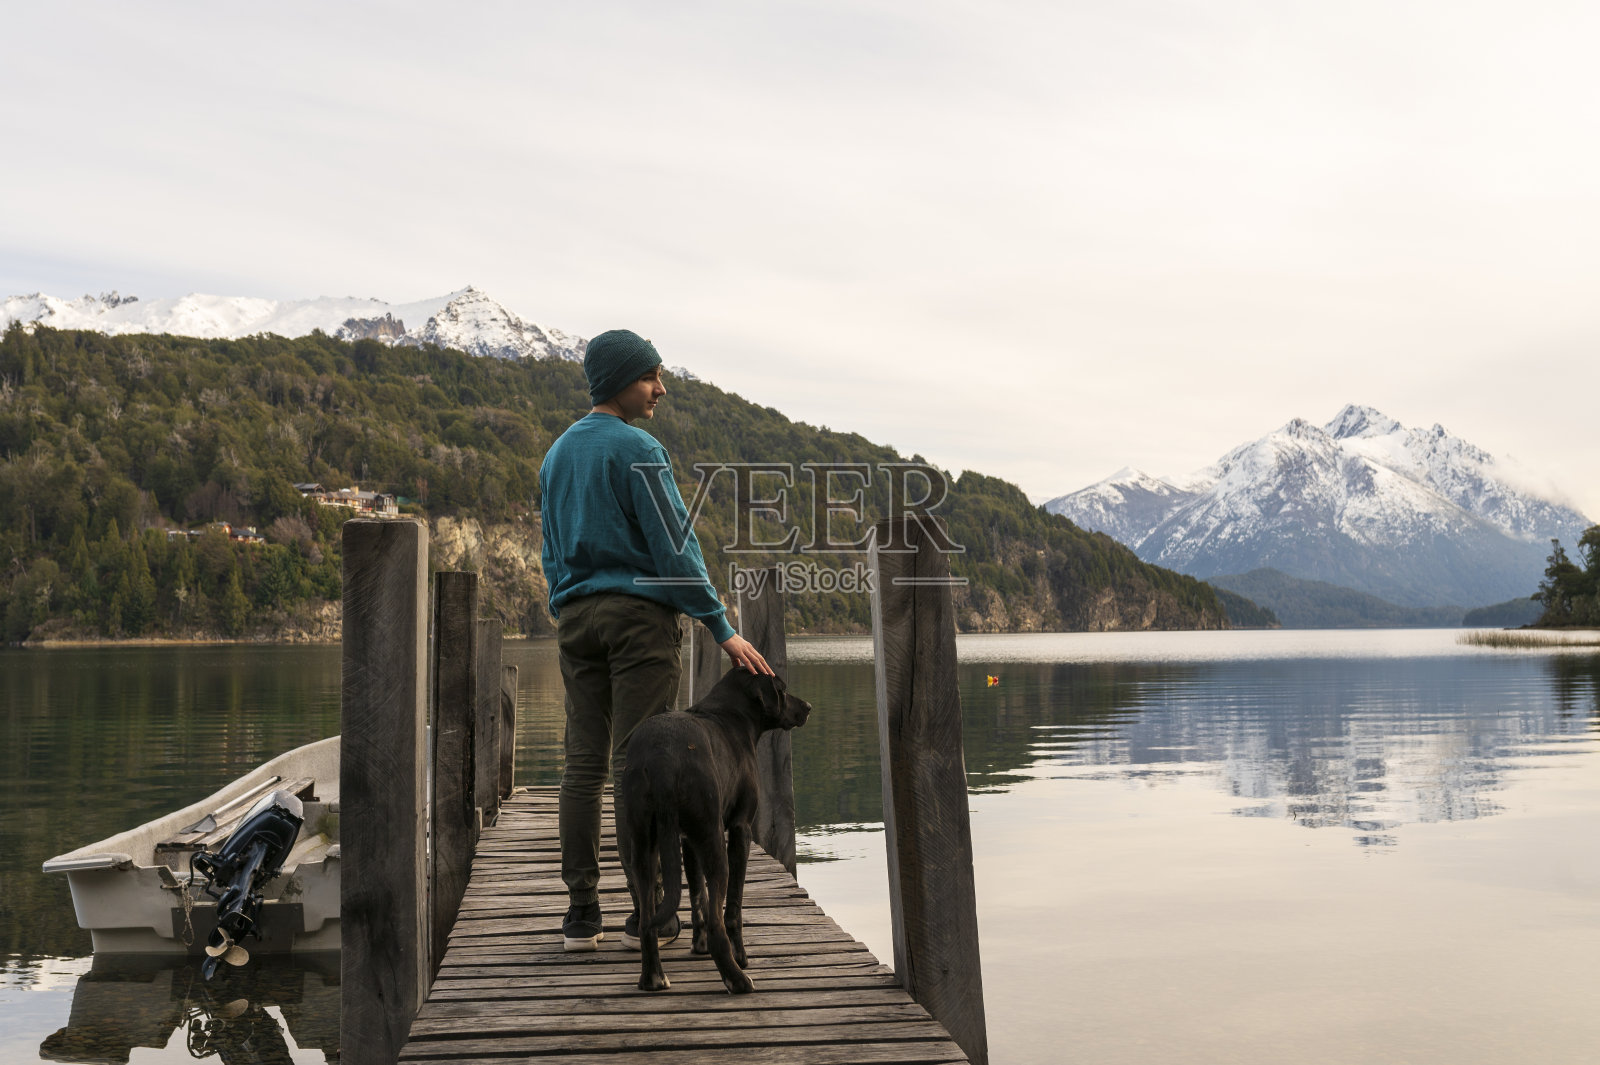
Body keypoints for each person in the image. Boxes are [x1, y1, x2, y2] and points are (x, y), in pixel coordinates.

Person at [539, 327, 773, 952]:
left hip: (577, 620)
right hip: (638, 623)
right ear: (619, 381)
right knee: (639, 767)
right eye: (650, 377)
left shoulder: (557, 455)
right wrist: (720, 626)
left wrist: (568, 602)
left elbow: (550, 551)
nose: (660, 389)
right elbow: (675, 548)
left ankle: (581, 912)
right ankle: (653, 915)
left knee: (582, 765)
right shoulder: (637, 448)